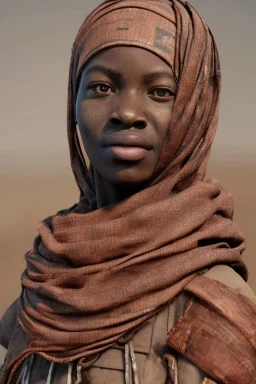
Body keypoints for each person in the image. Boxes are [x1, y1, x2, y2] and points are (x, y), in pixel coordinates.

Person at [1, 0, 256, 383]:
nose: (127, 112)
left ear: (195, 109)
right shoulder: (44, 285)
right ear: (73, 101)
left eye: (160, 92)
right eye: (102, 87)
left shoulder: (216, 308)